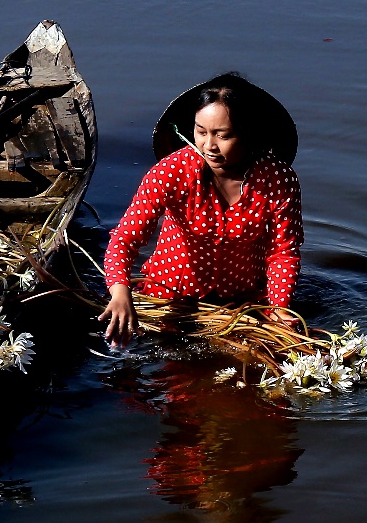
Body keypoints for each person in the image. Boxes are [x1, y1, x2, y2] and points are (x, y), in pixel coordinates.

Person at [99, 73, 302, 346]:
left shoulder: (277, 179)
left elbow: (283, 251)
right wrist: (120, 292)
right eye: (201, 132)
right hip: (169, 296)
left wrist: (279, 309)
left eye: (223, 135)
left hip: (241, 305)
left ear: (248, 133)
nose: (209, 146)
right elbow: (125, 238)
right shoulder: (172, 172)